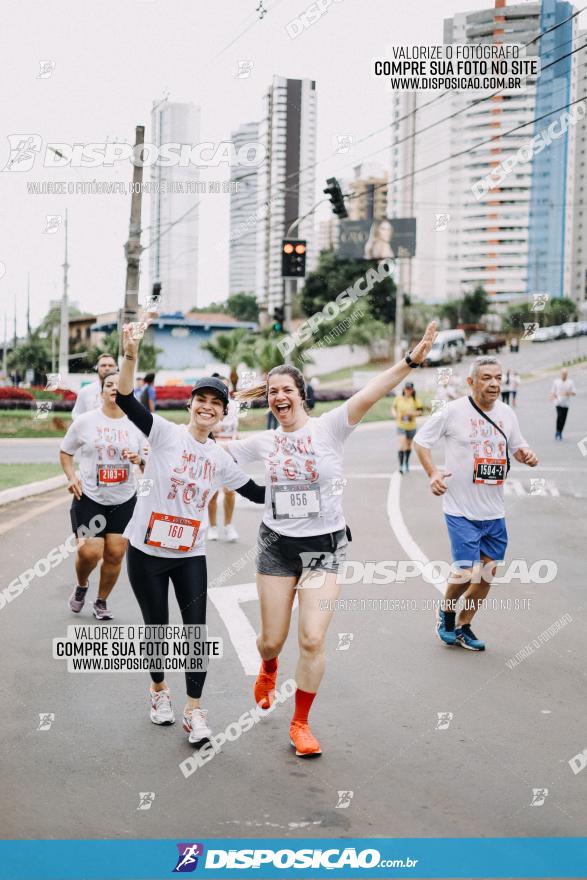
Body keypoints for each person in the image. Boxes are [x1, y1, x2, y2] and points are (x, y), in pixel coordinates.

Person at [228, 322, 437, 757]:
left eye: (286, 390)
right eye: (272, 392)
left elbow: (374, 389)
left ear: (301, 394)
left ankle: (300, 723)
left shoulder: (330, 428)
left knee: (312, 639)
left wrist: (411, 360)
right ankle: (268, 666)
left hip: (325, 548)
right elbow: (214, 456)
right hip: (276, 547)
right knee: (272, 640)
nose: (279, 398)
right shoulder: (262, 442)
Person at [115, 320, 265, 744]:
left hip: (188, 554)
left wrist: (306, 493)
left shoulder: (219, 456)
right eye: (201, 399)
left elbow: (253, 491)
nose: (208, 407)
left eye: (216, 403)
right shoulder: (165, 435)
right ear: (190, 405)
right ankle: (158, 691)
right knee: (157, 629)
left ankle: (194, 711)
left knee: (195, 631)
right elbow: (126, 398)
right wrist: (130, 355)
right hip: (146, 550)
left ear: (223, 413)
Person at [414, 356, 538, 652]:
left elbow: (518, 445)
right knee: (468, 571)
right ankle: (446, 612)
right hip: (460, 510)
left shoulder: (507, 413)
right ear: (471, 382)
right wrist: (433, 473)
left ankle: (463, 626)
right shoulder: (452, 412)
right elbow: (421, 441)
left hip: (494, 512)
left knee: (485, 579)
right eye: (486, 378)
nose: (495, 383)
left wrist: (526, 454)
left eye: (498, 377)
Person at [60, 370, 144, 619]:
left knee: (115, 553)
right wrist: (72, 477)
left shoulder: (139, 423)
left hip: (125, 499)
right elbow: (66, 452)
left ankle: (101, 601)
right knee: (90, 552)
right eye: (109, 384)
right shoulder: (86, 421)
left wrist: (140, 459)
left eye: (120, 385)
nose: (115, 388)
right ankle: (82, 585)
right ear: (102, 391)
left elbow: (150, 462)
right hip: (90, 497)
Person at [207, 375, 240, 543]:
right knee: (212, 493)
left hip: (231, 452)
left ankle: (228, 525)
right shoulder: (209, 406)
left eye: (225, 387)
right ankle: (212, 527)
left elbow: (234, 429)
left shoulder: (234, 406)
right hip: (212, 451)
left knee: (230, 491)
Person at [71, 354, 118, 420]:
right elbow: (76, 414)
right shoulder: (85, 391)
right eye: (103, 365)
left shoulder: (125, 391)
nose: (107, 368)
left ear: (116, 368)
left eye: (110, 365)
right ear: (96, 368)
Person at [391, 382, 423, 474]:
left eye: (410, 389)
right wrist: (394, 414)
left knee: (409, 446)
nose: (408, 391)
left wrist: (412, 413)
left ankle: (406, 462)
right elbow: (393, 408)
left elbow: (420, 411)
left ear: (412, 390)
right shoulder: (398, 398)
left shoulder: (415, 399)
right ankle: (401, 466)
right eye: (407, 389)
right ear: (404, 389)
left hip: (411, 426)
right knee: (402, 445)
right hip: (401, 425)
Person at [550, 368, 576, 440]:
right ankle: (557, 431)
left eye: (565, 374)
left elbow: (574, 392)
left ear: (567, 374)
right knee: (559, 416)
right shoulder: (556, 382)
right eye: (562, 374)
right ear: (560, 374)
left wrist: (568, 393)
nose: (564, 375)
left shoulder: (570, 382)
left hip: (566, 403)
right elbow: (553, 391)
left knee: (564, 419)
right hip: (558, 402)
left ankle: (560, 431)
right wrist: (552, 397)